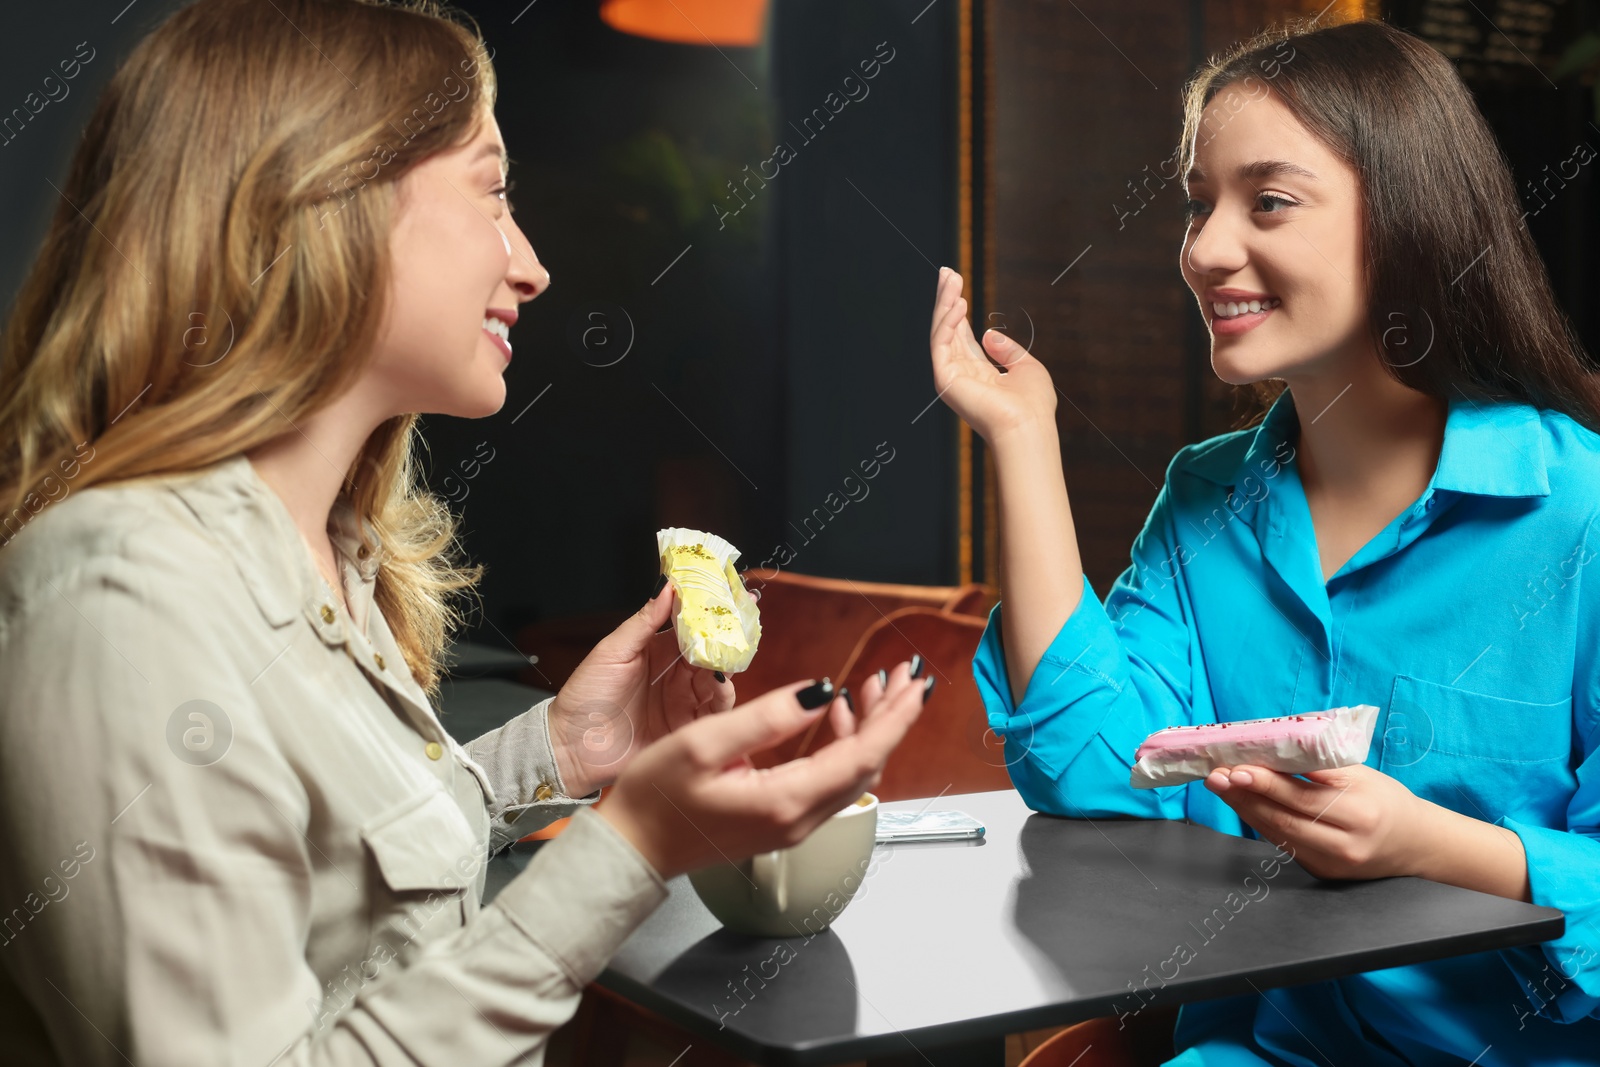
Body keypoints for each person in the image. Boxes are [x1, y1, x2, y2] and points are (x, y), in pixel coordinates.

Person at [0, 1, 929, 1063]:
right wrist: (633, 846)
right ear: (324, 195)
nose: (530, 263)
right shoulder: (122, 602)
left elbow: (332, 876)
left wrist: (564, 754)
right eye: (491, 192)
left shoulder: (327, 556)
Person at [932, 18, 1600, 1066]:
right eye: (1198, 203)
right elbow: (1091, 765)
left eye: (1268, 202)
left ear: (1407, 216)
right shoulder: (1207, 498)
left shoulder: (1582, 514)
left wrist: (1437, 846)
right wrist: (1023, 438)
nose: (1202, 248)